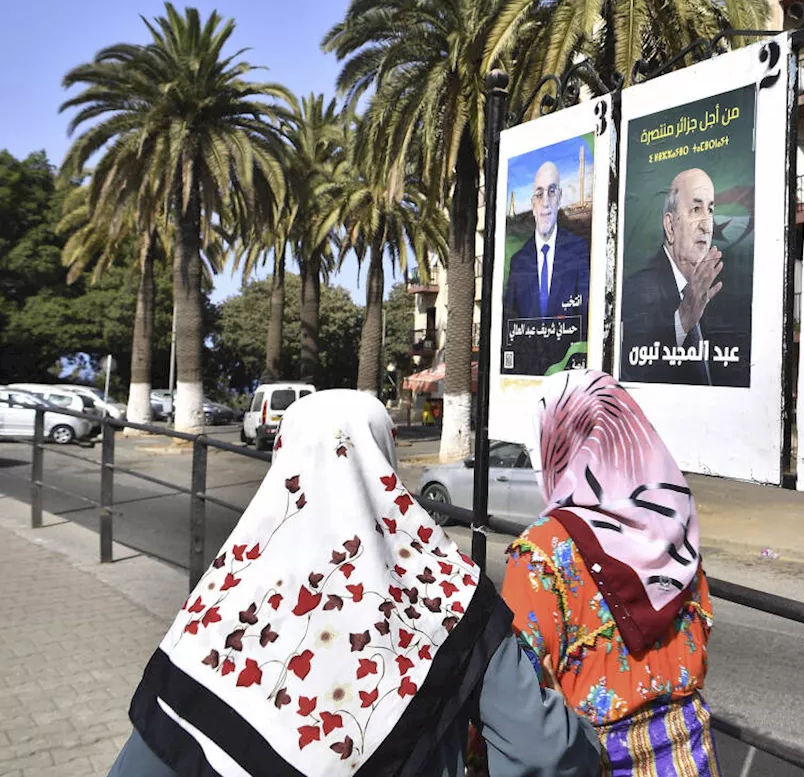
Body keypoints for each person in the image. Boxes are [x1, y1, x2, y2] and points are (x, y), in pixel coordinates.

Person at [106, 389, 600, 777]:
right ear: (386, 459)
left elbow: (151, 752)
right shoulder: (449, 593)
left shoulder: (225, 596)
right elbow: (545, 752)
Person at [501, 370, 721, 776]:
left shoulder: (543, 551)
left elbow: (516, 689)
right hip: (689, 752)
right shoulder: (673, 523)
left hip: (591, 759)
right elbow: (702, 627)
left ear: (553, 442)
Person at [620, 168, 724, 385]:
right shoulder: (635, 290)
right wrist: (683, 318)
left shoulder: (714, 292)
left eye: (711, 210)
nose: (706, 226)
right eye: (696, 209)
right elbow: (635, 376)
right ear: (670, 226)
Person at [503, 161, 591, 323]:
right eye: (539, 194)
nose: (545, 203)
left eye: (551, 192)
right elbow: (508, 320)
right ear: (533, 204)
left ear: (559, 198)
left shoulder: (578, 251)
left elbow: (586, 314)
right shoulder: (519, 261)